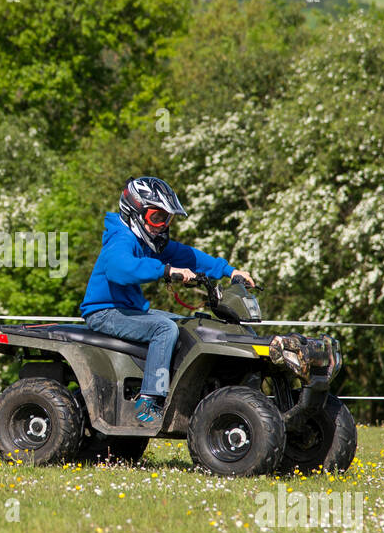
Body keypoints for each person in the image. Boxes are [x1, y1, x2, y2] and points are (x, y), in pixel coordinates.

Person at [79, 177, 255, 423]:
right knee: (165, 329)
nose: (162, 226)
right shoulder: (122, 238)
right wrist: (165, 271)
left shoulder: (148, 241)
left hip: (129, 310)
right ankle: (148, 402)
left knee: (189, 326)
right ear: (136, 212)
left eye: (167, 219)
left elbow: (189, 256)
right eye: (157, 217)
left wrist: (229, 271)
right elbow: (120, 268)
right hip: (105, 312)